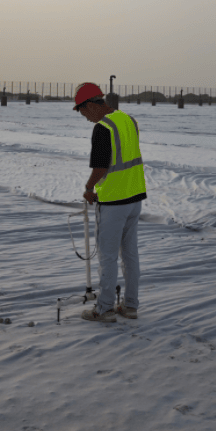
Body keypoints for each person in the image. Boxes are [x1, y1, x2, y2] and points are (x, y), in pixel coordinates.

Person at [73, 82, 146, 322]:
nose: (85, 118)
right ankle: (130, 306)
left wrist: (88, 188)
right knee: (130, 255)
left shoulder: (103, 127)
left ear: (90, 105)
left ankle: (104, 309)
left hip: (114, 202)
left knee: (107, 258)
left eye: (83, 112)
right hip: (135, 198)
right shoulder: (128, 120)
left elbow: (101, 167)